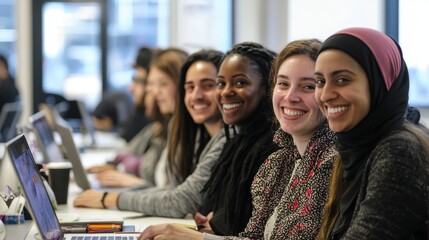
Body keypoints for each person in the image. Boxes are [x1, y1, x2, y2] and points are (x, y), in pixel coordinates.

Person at [139, 40, 338, 240]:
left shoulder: (333, 162)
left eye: (308, 86)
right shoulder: (277, 163)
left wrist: (199, 239)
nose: (290, 96)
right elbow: (252, 237)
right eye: (283, 84)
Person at [75, 50, 229, 218]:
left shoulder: (224, 139)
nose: (152, 91)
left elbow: (181, 200)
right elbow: (174, 193)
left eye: (162, 83)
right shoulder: (193, 132)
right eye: (190, 87)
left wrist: (110, 198)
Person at [314, 27, 429, 239]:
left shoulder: (399, 150)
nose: (325, 95)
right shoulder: (354, 151)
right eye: (320, 82)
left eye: (342, 80)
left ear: (380, 83)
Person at [92, 47, 155, 142]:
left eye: (137, 81)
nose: (131, 88)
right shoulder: (140, 113)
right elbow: (126, 137)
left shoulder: (152, 123)